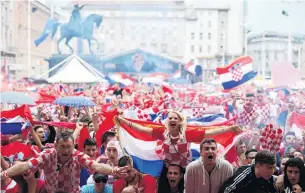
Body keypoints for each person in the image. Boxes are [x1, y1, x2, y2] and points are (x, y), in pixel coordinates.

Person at [116, 111, 240, 184]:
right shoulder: (162, 132)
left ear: (180, 122)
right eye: (170, 118)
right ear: (167, 121)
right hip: (168, 168)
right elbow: (142, 129)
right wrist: (124, 122)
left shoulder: (187, 133)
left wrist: (229, 129)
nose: (173, 120)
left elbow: (209, 133)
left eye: (176, 118)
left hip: (186, 169)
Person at [0, 132, 128, 193]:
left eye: (69, 147)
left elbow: (96, 165)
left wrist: (113, 170)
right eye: (62, 147)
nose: (66, 150)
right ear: (55, 146)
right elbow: (25, 165)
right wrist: (4, 174)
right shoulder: (47, 154)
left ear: (74, 146)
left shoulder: (78, 156)